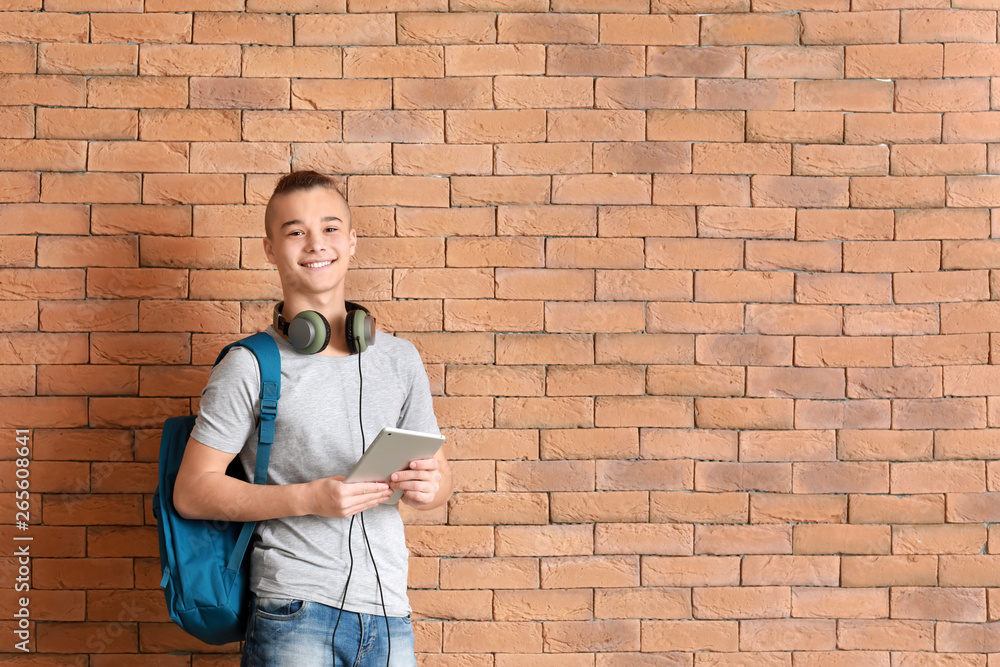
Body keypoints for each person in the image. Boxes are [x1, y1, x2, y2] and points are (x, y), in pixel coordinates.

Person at [172, 170, 452, 667]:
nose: (315, 244)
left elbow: (438, 477)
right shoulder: (251, 364)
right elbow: (192, 492)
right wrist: (308, 498)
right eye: (295, 231)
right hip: (293, 610)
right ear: (269, 249)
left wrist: (433, 487)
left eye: (329, 228)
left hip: (390, 613)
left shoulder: (400, 359)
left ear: (351, 240)